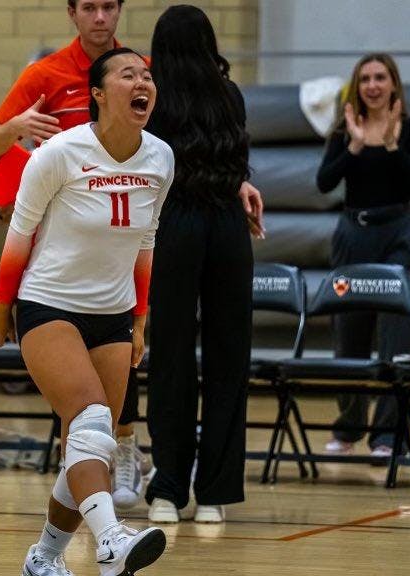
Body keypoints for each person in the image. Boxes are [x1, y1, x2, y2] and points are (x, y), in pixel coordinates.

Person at [0, 0, 263, 511]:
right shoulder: (227, 96)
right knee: (206, 367)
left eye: (110, 7)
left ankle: (152, 481)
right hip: (91, 264)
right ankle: (172, 501)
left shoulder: (152, 109)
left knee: (140, 383)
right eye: (90, 7)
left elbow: (161, 190)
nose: (101, 17)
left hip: (148, 244)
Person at [0, 47, 171, 576]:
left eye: (147, 76)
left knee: (92, 443)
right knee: (90, 420)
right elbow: (19, 233)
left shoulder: (161, 158)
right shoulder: (59, 154)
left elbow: (145, 244)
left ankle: (44, 558)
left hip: (113, 317)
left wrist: (138, 321)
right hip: (48, 306)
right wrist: (1, 306)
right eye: (128, 74)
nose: (143, 82)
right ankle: (111, 540)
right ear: (97, 92)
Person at [141, 5, 260, 525]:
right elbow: (234, 167)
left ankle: (168, 487)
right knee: (228, 356)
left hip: (175, 224)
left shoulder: (152, 100)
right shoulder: (230, 94)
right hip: (228, 226)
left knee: (171, 355)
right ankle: (214, 493)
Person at [316, 53, 410, 458]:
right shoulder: (344, 129)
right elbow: (324, 181)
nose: (373, 85)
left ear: (393, 84)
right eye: (365, 78)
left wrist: (394, 145)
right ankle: (348, 428)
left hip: (399, 231)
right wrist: (355, 146)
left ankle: (386, 434)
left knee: (396, 337)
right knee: (349, 332)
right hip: (353, 232)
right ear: (357, 86)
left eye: (381, 77)